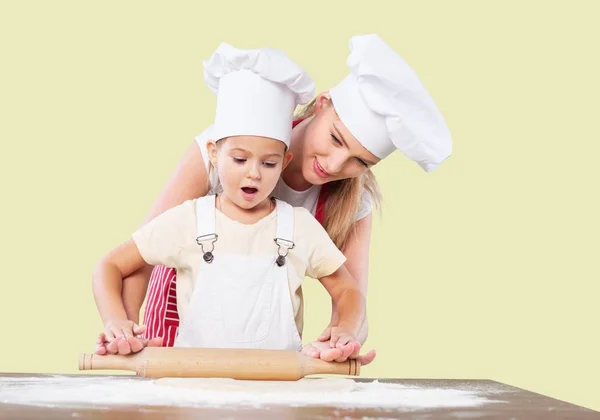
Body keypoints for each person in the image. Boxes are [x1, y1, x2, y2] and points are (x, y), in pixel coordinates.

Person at [98, 34, 452, 364]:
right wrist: (126, 334)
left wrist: (345, 339)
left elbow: (352, 294)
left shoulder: (348, 202)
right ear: (322, 104)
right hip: (182, 329)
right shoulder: (226, 145)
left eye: (361, 161)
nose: (334, 165)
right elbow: (134, 262)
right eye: (336, 139)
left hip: (267, 361)